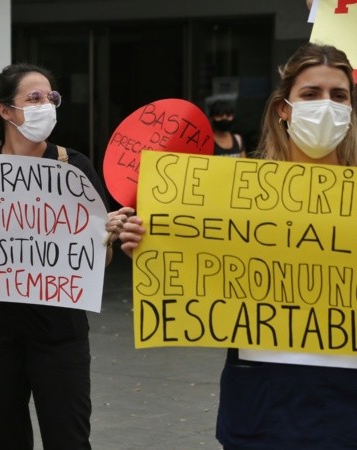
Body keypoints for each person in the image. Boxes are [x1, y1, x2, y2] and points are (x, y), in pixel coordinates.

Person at [119, 42, 357, 449]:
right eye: (311, 94)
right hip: (262, 392)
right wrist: (146, 240)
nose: (326, 106)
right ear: (284, 108)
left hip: (345, 395)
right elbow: (195, 254)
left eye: (339, 96)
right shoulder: (235, 191)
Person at [0, 62, 129, 450]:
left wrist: (106, 241)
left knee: (68, 437)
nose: (45, 105)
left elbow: (100, 264)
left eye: (51, 97)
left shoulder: (74, 167)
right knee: (1, 438)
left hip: (59, 333)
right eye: (33, 98)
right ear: (5, 111)